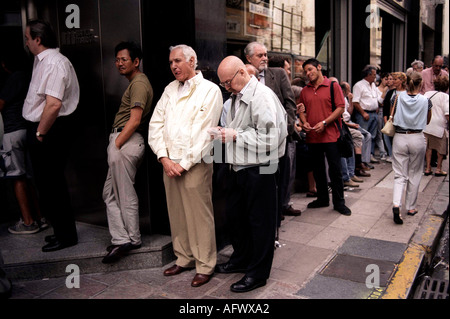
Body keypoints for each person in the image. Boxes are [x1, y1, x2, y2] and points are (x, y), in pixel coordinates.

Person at [148, 44, 222, 288]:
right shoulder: (170, 89)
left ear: (192, 61)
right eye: (171, 62)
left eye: (178, 61)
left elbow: (206, 132)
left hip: (196, 163)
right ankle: (184, 258)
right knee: (177, 213)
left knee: (199, 216)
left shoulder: (210, 90)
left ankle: (205, 264)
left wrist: (184, 163)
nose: (173, 66)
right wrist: (163, 157)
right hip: (169, 162)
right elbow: (155, 124)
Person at [213, 55, 287, 293]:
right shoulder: (236, 96)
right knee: (236, 217)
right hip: (239, 167)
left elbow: (271, 138)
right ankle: (242, 259)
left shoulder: (262, 97)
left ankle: (257, 273)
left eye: (227, 82)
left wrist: (234, 135)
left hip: (261, 168)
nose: (225, 88)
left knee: (260, 223)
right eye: (222, 83)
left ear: (242, 73)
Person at [22, 19, 79, 252]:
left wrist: (39, 133)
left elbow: (53, 104)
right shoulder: (42, 61)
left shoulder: (55, 63)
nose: (26, 42)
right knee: (46, 185)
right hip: (44, 128)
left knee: (53, 184)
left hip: (49, 129)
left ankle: (66, 236)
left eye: (27, 38)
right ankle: (60, 232)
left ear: (38, 39)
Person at [101, 42, 153, 264]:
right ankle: (122, 237)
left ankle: (132, 238)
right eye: (117, 59)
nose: (119, 63)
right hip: (124, 141)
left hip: (126, 141)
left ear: (136, 61)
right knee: (110, 193)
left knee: (124, 191)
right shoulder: (135, 83)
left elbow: (135, 120)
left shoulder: (139, 83)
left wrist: (117, 144)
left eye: (124, 59)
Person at [244, 42, 300, 219]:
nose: (264, 58)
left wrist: (288, 129)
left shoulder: (278, 74)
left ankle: (278, 214)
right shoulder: (242, 76)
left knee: (281, 178)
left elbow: (290, 103)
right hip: (254, 142)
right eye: (259, 55)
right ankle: (269, 218)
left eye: (265, 55)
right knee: (264, 183)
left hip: (280, 139)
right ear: (248, 58)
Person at [0, 51, 46, 235]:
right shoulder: (30, 77)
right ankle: (39, 218)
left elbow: (0, 104)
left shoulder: (14, 78)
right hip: (28, 130)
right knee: (28, 176)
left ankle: (28, 222)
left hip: (13, 132)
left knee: (17, 177)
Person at [298, 59, 352, 216]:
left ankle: (339, 202)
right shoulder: (305, 90)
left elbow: (341, 108)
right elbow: (301, 109)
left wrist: (324, 122)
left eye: (310, 69)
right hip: (313, 136)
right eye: (306, 71)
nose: (308, 73)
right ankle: (322, 198)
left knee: (335, 171)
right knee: (318, 170)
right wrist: (304, 121)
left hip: (331, 135)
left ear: (319, 67)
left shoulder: (332, 86)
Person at [391, 72, 432, 224]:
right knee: (414, 173)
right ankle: (411, 207)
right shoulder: (425, 100)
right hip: (417, 137)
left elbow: (392, 116)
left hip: (400, 137)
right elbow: (427, 120)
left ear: (407, 82)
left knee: (399, 174)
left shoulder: (397, 97)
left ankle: (396, 204)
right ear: (421, 83)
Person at [353, 65, 385, 165]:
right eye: (374, 75)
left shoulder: (373, 85)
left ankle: (368, 158)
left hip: (374, 114)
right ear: (368, 74)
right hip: (364, 115)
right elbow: (355, 101)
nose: (376, 77)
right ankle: (361, 161)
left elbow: (377, 99)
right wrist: (363, 113)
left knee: (372, 137)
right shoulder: (359, 85)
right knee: (363, 137)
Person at [423, 76, 449, 177]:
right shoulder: (446, 97)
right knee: (440, 148)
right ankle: (438, 169)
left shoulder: (427, 94)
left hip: (427, 124)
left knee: (428, 147)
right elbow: (447, 113)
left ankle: (428, 168)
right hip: (439, 125)